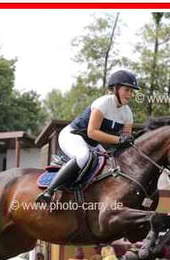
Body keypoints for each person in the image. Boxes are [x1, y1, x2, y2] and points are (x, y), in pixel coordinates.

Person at [36, 70, 139, 203]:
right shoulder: (103, 103)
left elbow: (125, 140)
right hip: (72, 136)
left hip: (93, 144)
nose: (130, 94)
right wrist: (119, 139)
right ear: (115, 89)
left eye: (132, 91)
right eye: (127, 90)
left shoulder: (127, 113)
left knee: (110, 164)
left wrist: (128, 140)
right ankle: (49, 192)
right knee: (83, 156)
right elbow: (92, 132)